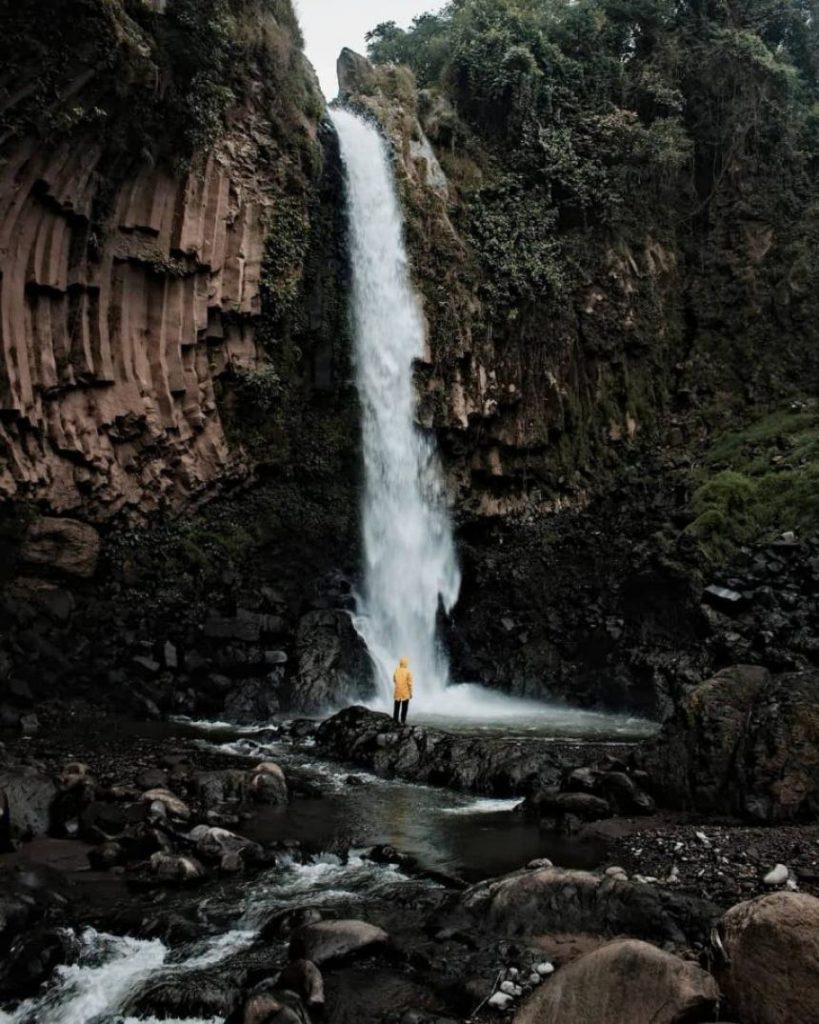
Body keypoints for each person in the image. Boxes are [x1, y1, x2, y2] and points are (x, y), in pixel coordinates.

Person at [393, 656, 413, 724]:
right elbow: (410, 683)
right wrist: (410, 693)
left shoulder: (396, 670)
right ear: (406, 663)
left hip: (397, 692)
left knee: (396, 707)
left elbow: (394, 679)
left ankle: (395, 720)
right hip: (405, 693)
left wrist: (398, 685)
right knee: (404, 708)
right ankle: (403, 721)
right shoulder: (408, 672)